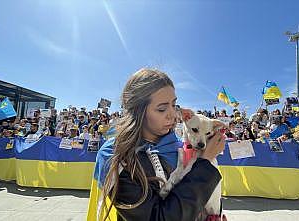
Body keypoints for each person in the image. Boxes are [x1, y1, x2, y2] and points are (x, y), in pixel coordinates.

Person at [88, 68, 226, 221]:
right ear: (137, 111)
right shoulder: (115, 154)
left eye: (174, 105)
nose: (173, 115)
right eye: (162, 109)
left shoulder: (181, 148)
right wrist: (205, 164)